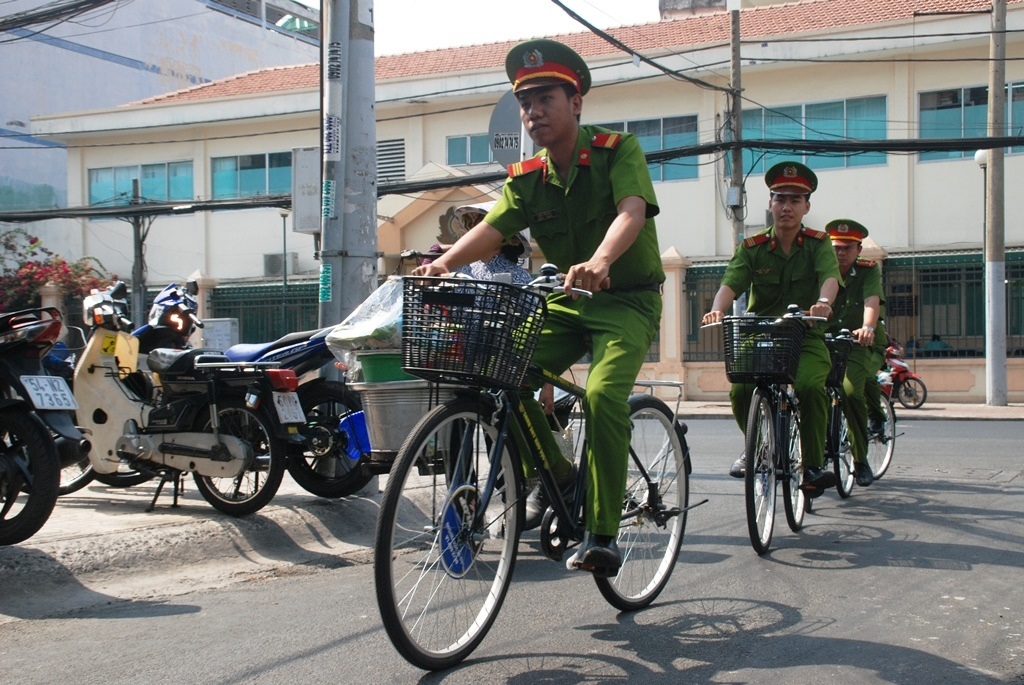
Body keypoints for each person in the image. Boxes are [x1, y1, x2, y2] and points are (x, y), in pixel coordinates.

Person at [413, 38, 664, 577]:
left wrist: (599, 260)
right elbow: (494, 227)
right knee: (502, 372)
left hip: (626, 301)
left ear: (575, 103)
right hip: (567, 300)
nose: (533, 112)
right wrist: (443, 265)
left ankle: (602, 532)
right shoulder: (527, 177)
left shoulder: (618, 151)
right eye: (525, 103)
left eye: (545, 98)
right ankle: (558, 473)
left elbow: (632, 210)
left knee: (600, 395)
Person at [701, 161, 840, 496]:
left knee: (808, 387)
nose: (786, 207)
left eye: (795, 200)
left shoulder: (819, 244)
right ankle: (758, 448)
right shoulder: (753, 247)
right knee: (739, 388)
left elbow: (830, 278)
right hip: (763, 335)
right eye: (779, 199)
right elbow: (731, 282)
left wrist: (823, 303)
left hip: (805, 336)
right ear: (770, 203)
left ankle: (812, 466)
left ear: (807, 206)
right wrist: (716, 310)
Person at [824, 218, 887, 486]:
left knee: (851, 391)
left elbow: (871, 300)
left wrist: (867, 327)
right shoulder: (822, 271)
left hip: (862, 343)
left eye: (848, 248)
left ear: (858, 250)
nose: (841, 253)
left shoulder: (868, 271)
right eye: (837, 247)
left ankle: (860, 461)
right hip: (827, 342)